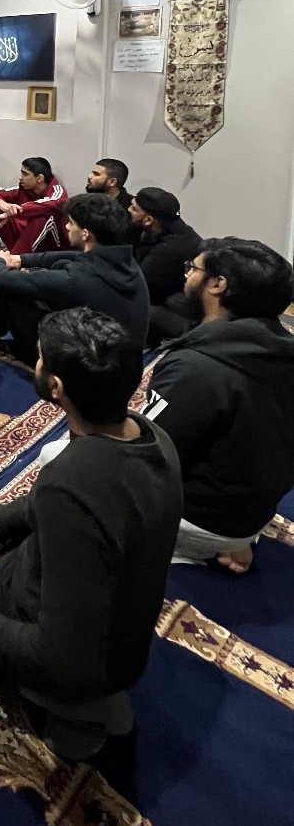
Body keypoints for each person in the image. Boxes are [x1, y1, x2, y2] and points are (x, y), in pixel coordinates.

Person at [0, 307, 181, 760]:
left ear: (57, 388)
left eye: (42, 359)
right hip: (115, 632)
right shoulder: (150, 436)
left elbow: (56, 654)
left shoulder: (70, 482)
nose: (38, 364)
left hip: (69, 665)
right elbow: (57, 509)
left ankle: (62, 709)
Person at [143, 238, 294, 575]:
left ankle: (196, 546)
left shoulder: (197, 369)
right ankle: (233, 540)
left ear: (217, 284)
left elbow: (148, 456)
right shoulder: (283, 348)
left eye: (192, 269)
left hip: (207, 519)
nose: (186, 276)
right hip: (254, 510)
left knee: (61, 457)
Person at [0, 193, 148, 366]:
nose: (67, 227)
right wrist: (21, 259)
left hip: (89, 366)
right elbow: (74, 256)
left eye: (71, 223)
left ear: (85, 234)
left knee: (7, 287)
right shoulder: (127, 260)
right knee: (61, 263)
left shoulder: (76, 279)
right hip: (123, 360)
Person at [128, 188, 204, 345]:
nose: (128, 210)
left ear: (148, 220)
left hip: (178, 312)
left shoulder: (171, 250)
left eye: (134, 208)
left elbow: (139, 287)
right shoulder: (157, 230)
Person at [0, 158, 69, 268]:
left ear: (39, 178)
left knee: (43, 215)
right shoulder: (23, 189)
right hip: (24, 242)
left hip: (51, 247)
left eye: (25, 174)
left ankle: (13, 260)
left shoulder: (58, 191)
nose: (20, 177)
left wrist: (12, 212)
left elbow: (50, 204)